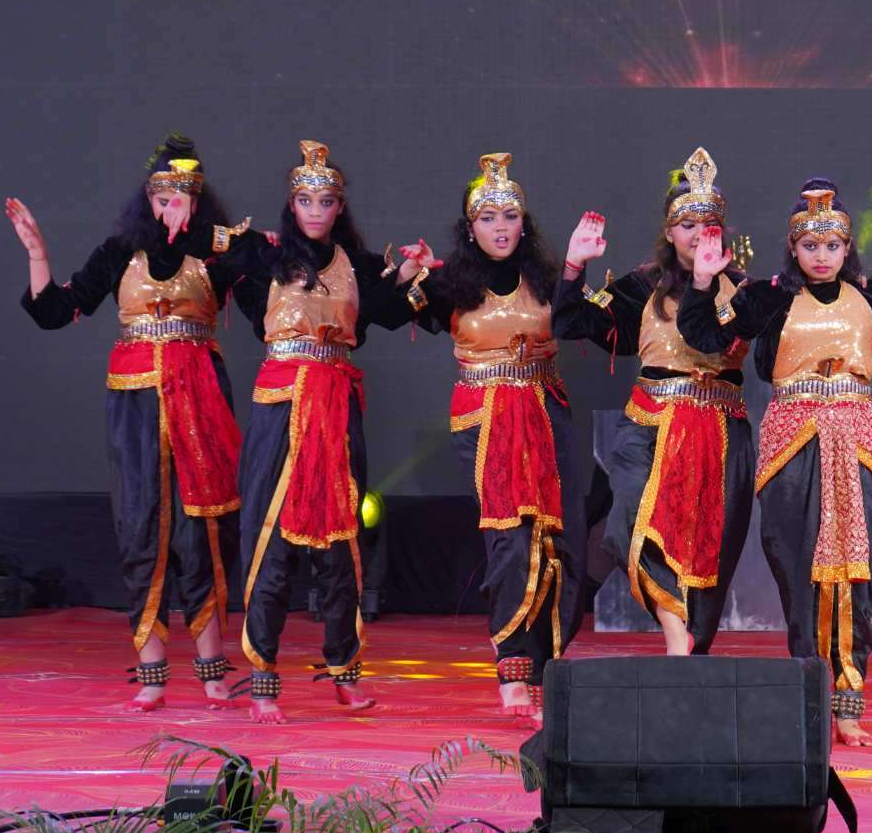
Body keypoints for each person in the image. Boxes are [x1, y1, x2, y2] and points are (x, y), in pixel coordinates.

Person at [7, 134, 249, 712]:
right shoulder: (120, 252)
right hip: (137, 404)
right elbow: (55, 312)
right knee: (141, 526)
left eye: (184, 198)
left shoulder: (217, 253)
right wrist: (38, 254)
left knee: (202, 529)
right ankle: (151, 669)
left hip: (200, 400)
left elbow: (266, 288)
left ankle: (212, 667)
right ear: (147, 199)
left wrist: (207, 235)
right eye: (163, 199)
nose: (173, 208)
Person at [679, 179, 872, 747]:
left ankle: (849, 702)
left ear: (847, 247)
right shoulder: (767, 299)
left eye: (832, 246)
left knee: (861, 571)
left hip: (857, 437)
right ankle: (811, 698)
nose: (821, 256)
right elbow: (706, 335)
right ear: (793, 247)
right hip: (793, 439)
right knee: (799, 566)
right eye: (810, 246)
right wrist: (703, 281)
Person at [226, 140, 428, 723]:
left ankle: (344, 670)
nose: (316, 211)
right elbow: (213, 261)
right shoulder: (266, 258)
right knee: (271, 536)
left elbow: (389, 311)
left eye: (326, 201)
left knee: (340, 539)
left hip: (336, 409)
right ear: (291, 205)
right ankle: (263, 677)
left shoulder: (356, 264)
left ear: (340, 207)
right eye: (306, 201)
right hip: (282, 407)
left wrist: (408, 273)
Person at [551, 148, 755, 656]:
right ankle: (674, 629)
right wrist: (574, 265)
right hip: (650, 422)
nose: (698, 234)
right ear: (669, 232)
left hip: (721, 429)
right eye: (687, 225)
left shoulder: (742, 292)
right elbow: (571, 323)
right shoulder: (643, 286)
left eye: (708, 225)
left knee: (712, 544)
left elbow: (725, 343)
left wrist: (708, 284)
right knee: (627, 521)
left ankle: (690, 653)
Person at [409, 153, 581, 725]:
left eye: (510, 216)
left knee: (556, 542)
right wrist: (408, 275)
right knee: (509, 540)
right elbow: (390, 311)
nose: (500, 227)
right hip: (484, 419)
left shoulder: (546, 280)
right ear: (470, 227)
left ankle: (547, 666)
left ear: (524, 223)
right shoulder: (449, 284)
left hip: (545, 413)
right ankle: (512, 667)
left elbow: (581, 319)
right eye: (487, 218)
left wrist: (578, 268)